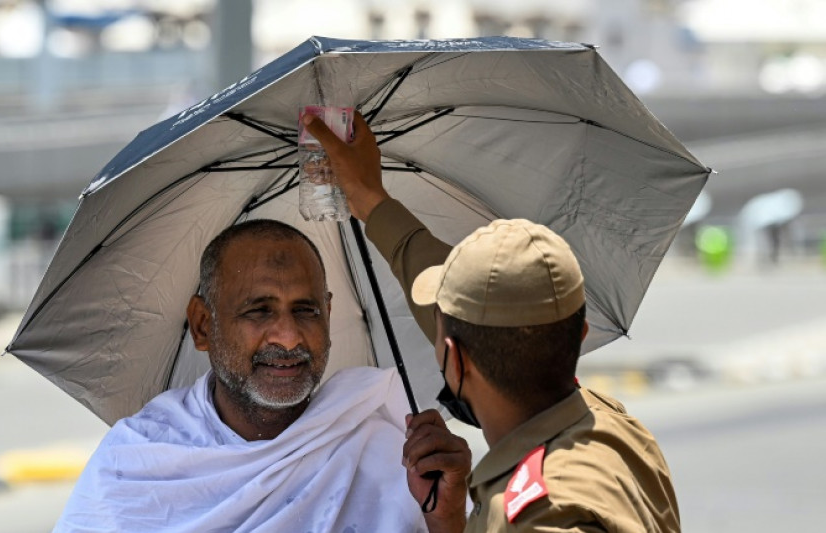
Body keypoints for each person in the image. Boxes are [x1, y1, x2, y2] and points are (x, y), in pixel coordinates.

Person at [304, 112, 680, 532]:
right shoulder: (614, 426)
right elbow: (474, 315)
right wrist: (371, 200)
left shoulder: (542, 518)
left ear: (456, 360)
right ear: (580, 335)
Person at [54, 219, 428, 532]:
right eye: (259, 311)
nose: (288, 337)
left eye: (306, 310)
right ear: (203, 325)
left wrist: (446, 518)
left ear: (328, 315)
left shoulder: (386, 454)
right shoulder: (137, 464)